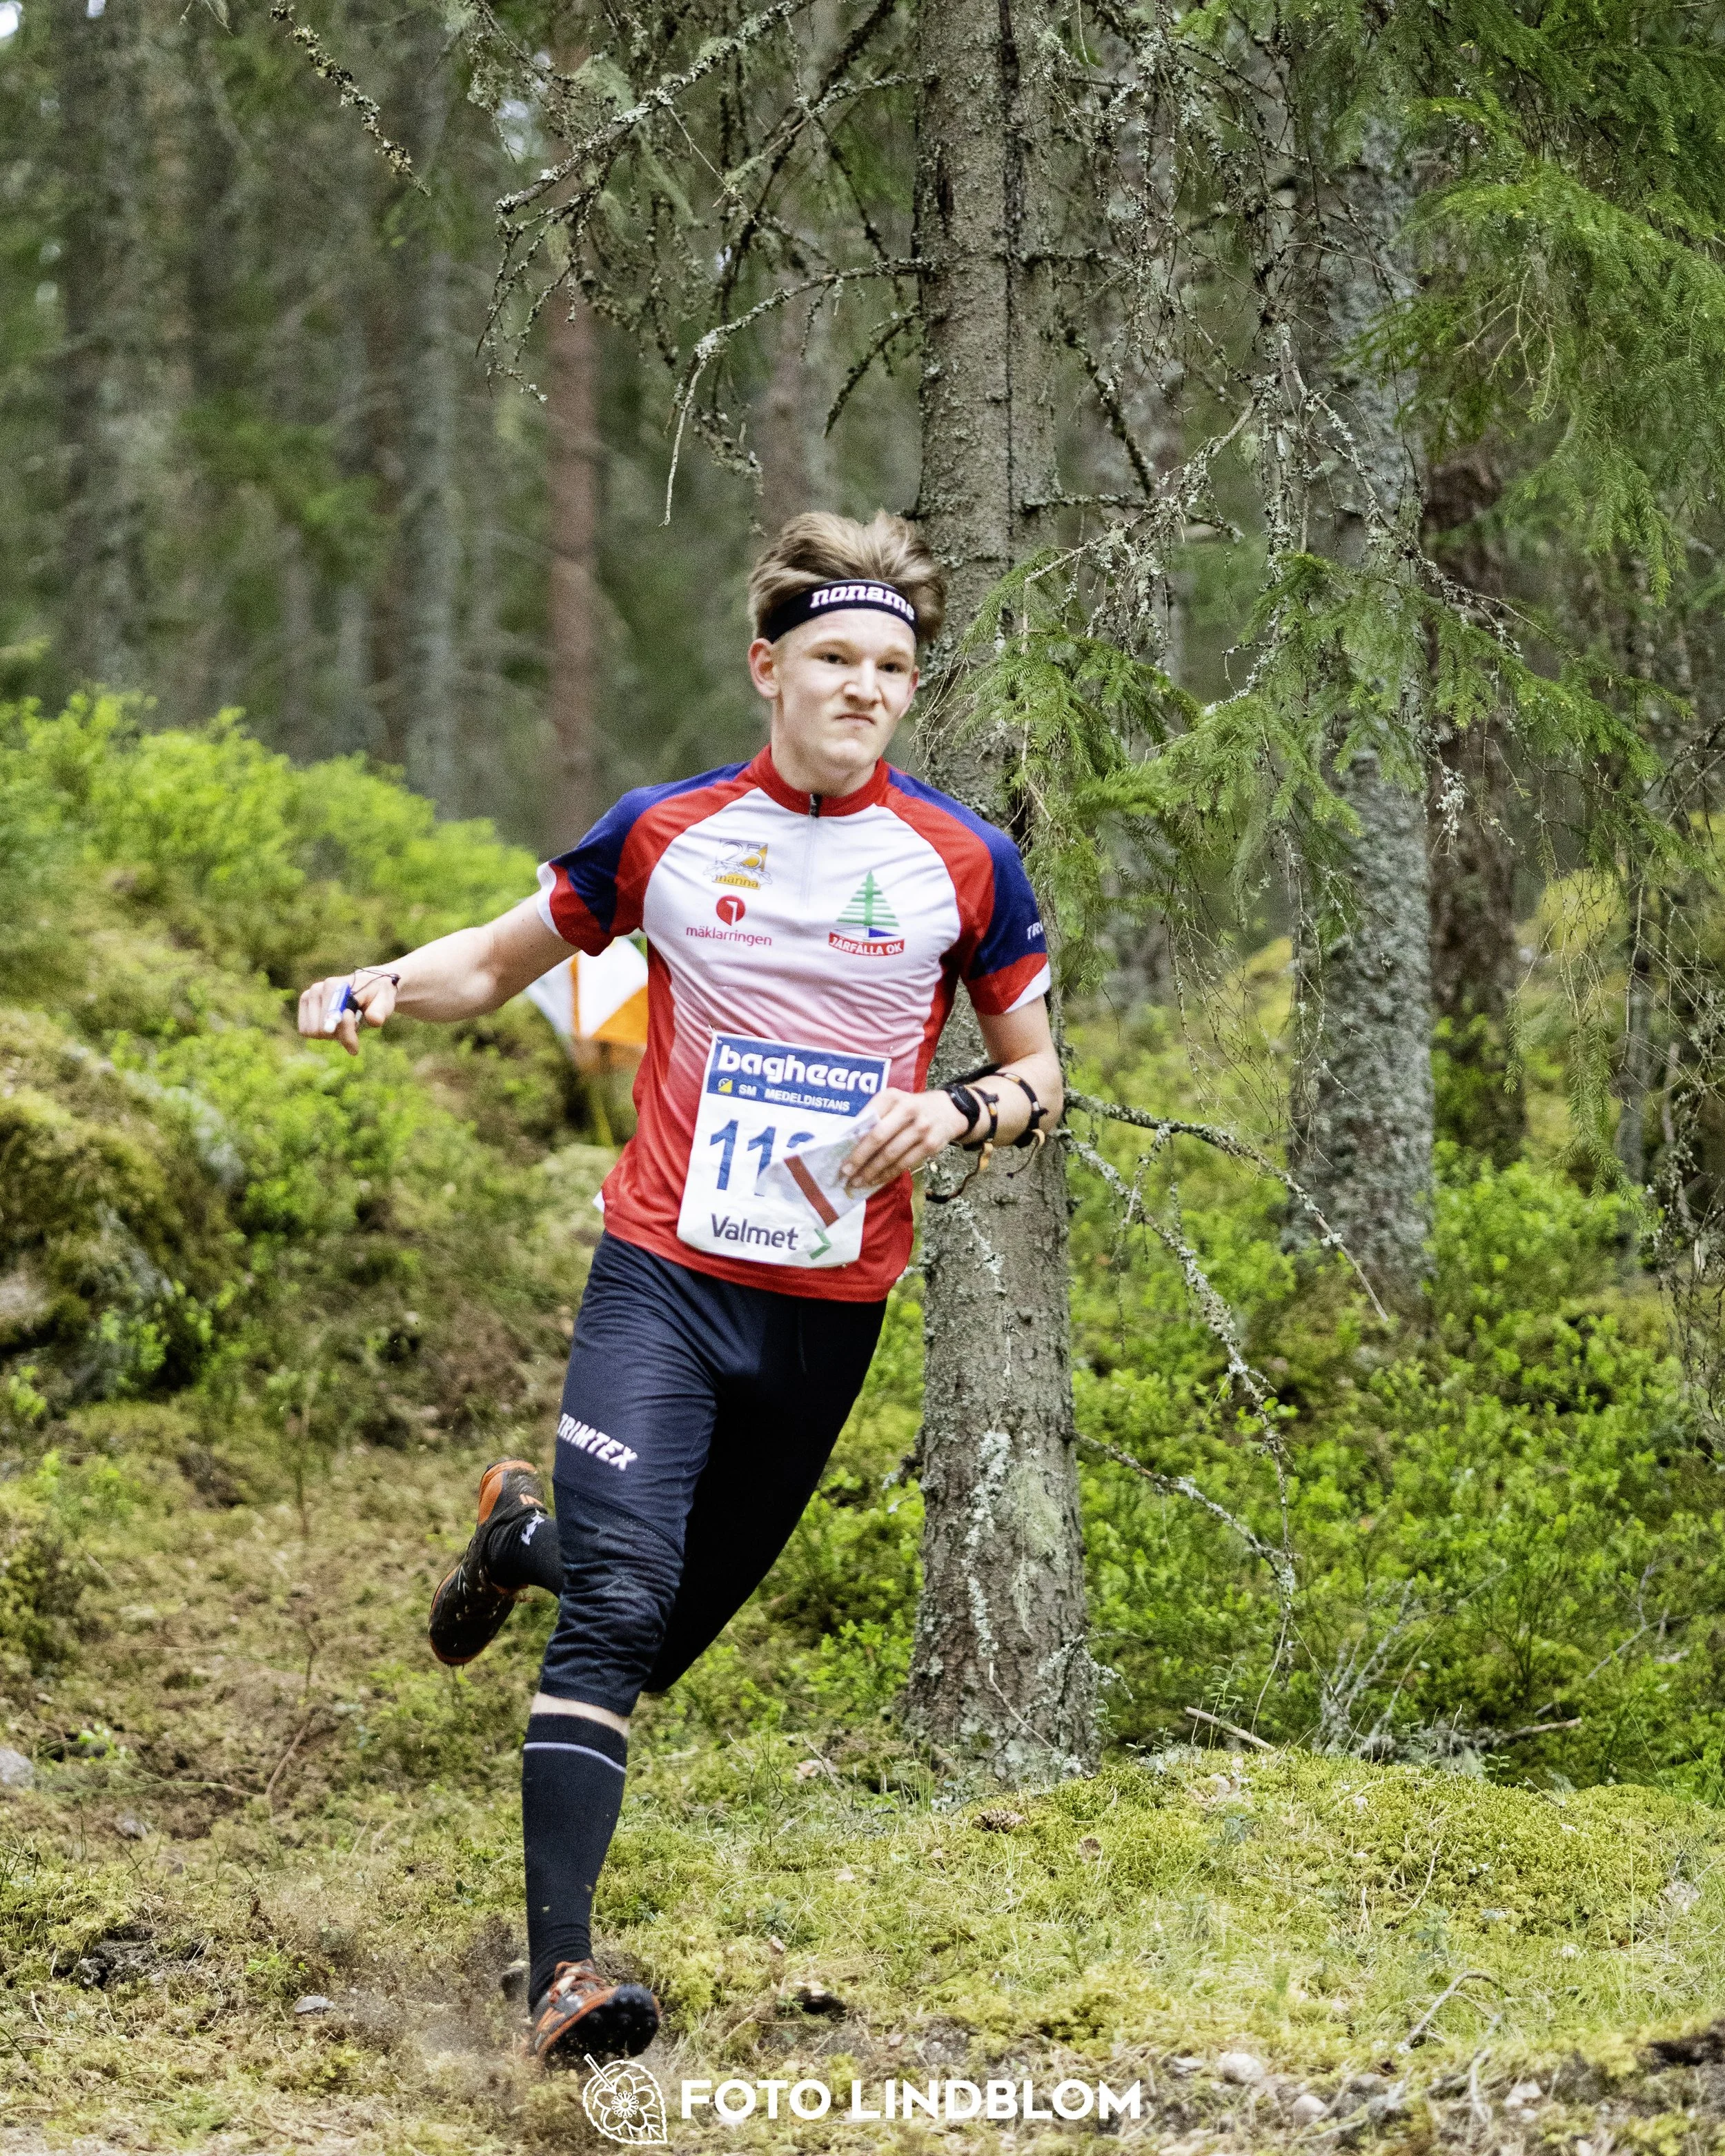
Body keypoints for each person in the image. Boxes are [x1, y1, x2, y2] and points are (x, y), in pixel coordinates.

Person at [295, 510, 1062, 2067]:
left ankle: (518, 1534)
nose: (865, 688)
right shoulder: (667, 830)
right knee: (621, 1610)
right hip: (660, 1273)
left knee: (655, 1631)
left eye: (894, 667)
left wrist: (958, 1108)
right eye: (836, 658)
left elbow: (1044, 1076)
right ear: (766, 668)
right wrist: (380, 980)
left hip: (827, 1305)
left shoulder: (962, 863)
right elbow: (498, 962)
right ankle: (559, 1978)